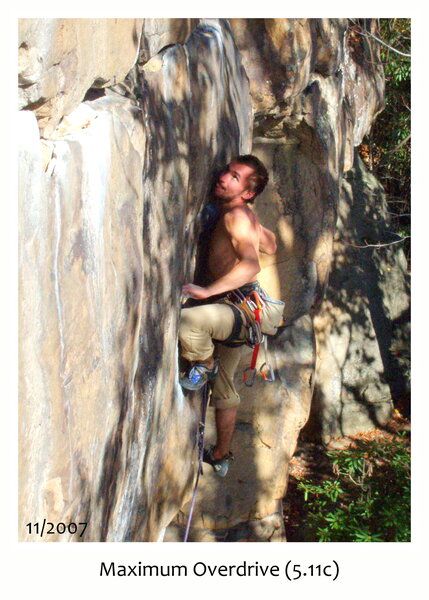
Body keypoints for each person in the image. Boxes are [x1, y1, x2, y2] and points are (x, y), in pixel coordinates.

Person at [179, 155, 284, 476]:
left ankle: (203, 364)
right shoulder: (243, 216)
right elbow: (272, 245)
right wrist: (255, 227)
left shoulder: (237, 216)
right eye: (227, 171)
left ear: (247, 193)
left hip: (235, 311)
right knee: (225, 392)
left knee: (189, 321)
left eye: (235, 177)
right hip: (243, 316)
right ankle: (221, 454)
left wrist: (206, 292)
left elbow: (251, 264)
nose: (223, 177)